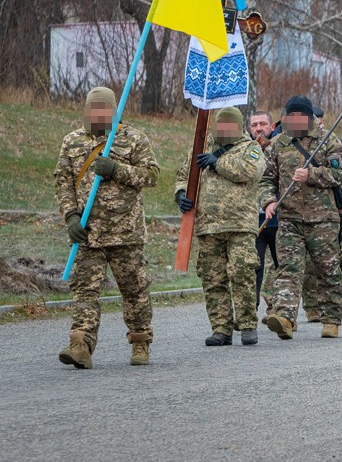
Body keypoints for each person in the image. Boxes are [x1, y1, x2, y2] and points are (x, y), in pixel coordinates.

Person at [55, 86, 159, 369]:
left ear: (115, 111)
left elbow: (151, 175)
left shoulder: (133, 139)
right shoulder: (72, 141)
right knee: (84, 292)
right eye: (93, 110)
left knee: (134, 290)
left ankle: (140, 341)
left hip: (126, 232)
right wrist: (71, 217)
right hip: (88, 233)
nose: (98, 115)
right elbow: (63, 182)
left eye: (104, 110)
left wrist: (117, 170)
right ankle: (81, 344)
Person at [174, 106, 265, 346]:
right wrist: (181, 193)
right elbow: (184, 174)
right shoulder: (201, 147)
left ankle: (247, 325)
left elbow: (249, 171)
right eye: (220, 125)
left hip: (240, 226)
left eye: (229, 126)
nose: (224, 130)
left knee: (242, 273)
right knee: (213, 278)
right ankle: (221, 328)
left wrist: (217, 163)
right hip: (208, 226)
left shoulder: (250, 148)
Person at [260, 96, 342, 340]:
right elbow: (266, 178)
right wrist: (268, 201)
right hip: (289, 219)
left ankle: (330, 319)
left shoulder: (328, 141)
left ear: (309, 118)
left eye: (300, 117)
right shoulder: (279, 143)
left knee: (327, 271)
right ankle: (285, 318)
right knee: (288, 269)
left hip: (323, 219)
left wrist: (312, 174)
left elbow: (341, 173)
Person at [247, 110, 278, 307]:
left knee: (282, 265)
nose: (259, 128)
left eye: (263, 124)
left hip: (278, 218)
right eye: (254, 125)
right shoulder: (244, 150)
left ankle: (280, 312)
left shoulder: (282, 147)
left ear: (272, 127)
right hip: (252, 219)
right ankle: (249, 313)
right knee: (252, 267)